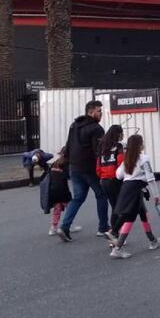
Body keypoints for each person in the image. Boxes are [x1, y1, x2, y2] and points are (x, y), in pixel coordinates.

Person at [57, 100, 106, 242]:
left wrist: (66, 162)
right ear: (90, 112)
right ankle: (103, 227)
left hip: (74, 167)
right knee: (101, 194)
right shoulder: (96, 129)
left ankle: (64, 227)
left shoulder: (74, 125)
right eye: (98, 111)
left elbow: (68, 145)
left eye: (101, 111)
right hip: (89, 168)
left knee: (78, 197)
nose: (101, 113)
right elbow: (98, 151)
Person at [108, 134, 160, 259]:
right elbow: (150, 178)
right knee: (130, 218)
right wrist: (156, 195)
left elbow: (118, 175)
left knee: (143, 214)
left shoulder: (127, 159)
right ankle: (118, 248)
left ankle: (152, 240)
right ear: (140, 145)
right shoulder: (144, 159)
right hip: (137, 190)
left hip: (126, 189)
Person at [97, 125, 125, 226]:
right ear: (118, 134)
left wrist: (101, 175)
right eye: (121, 133)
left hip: (104, 180)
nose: (123, 135)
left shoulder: (102, 147)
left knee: (114, 205)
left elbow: (98, 164)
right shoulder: (119, 147)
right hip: (115, 178)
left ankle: (114, 230)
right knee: (119, 206)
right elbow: (121, 163)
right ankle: (116, 231)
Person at [45, 148, 74, 236]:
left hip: (53, 190)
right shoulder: (66, 164)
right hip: (63, 190)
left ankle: (53, 227)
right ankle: (67, 224)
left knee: (57, 209)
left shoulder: (54, 163)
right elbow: (69, 176)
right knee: (71, 207)